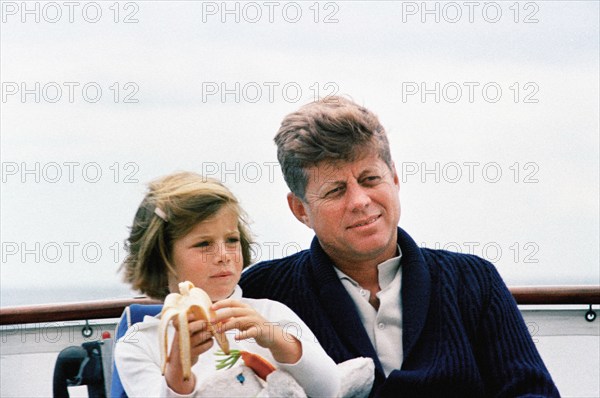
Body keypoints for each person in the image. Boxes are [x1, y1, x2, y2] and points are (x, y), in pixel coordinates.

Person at [239, 96, 560, 397]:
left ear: (394, 178)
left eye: (370, 179)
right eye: (336, 191)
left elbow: (533, 391)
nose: (360, 201)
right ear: (300, 210)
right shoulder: (264, 293)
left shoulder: (474, 280)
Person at [114, 172, 340, 397]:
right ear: (161, 259)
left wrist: (279, 341)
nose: (224, 255)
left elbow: (330, 390)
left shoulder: (271, 313)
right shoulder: (139, 344)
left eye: (232, 240)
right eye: (204, 243)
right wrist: (177, 372)